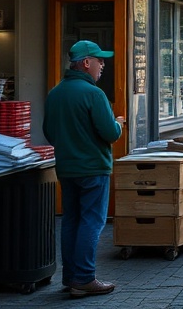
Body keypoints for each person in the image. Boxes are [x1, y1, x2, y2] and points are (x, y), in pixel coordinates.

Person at [43, 39, 125, 298]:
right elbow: (110, 133)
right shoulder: (94, 93)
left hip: (67, 168)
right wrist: (119, 123)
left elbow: (49, 132)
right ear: (86, 63)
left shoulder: (56, 92)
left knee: (71, 221)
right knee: (92, 221)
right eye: (99, 60)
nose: (103, 64)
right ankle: (85, 278)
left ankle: (70, 277)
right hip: (93, 168)